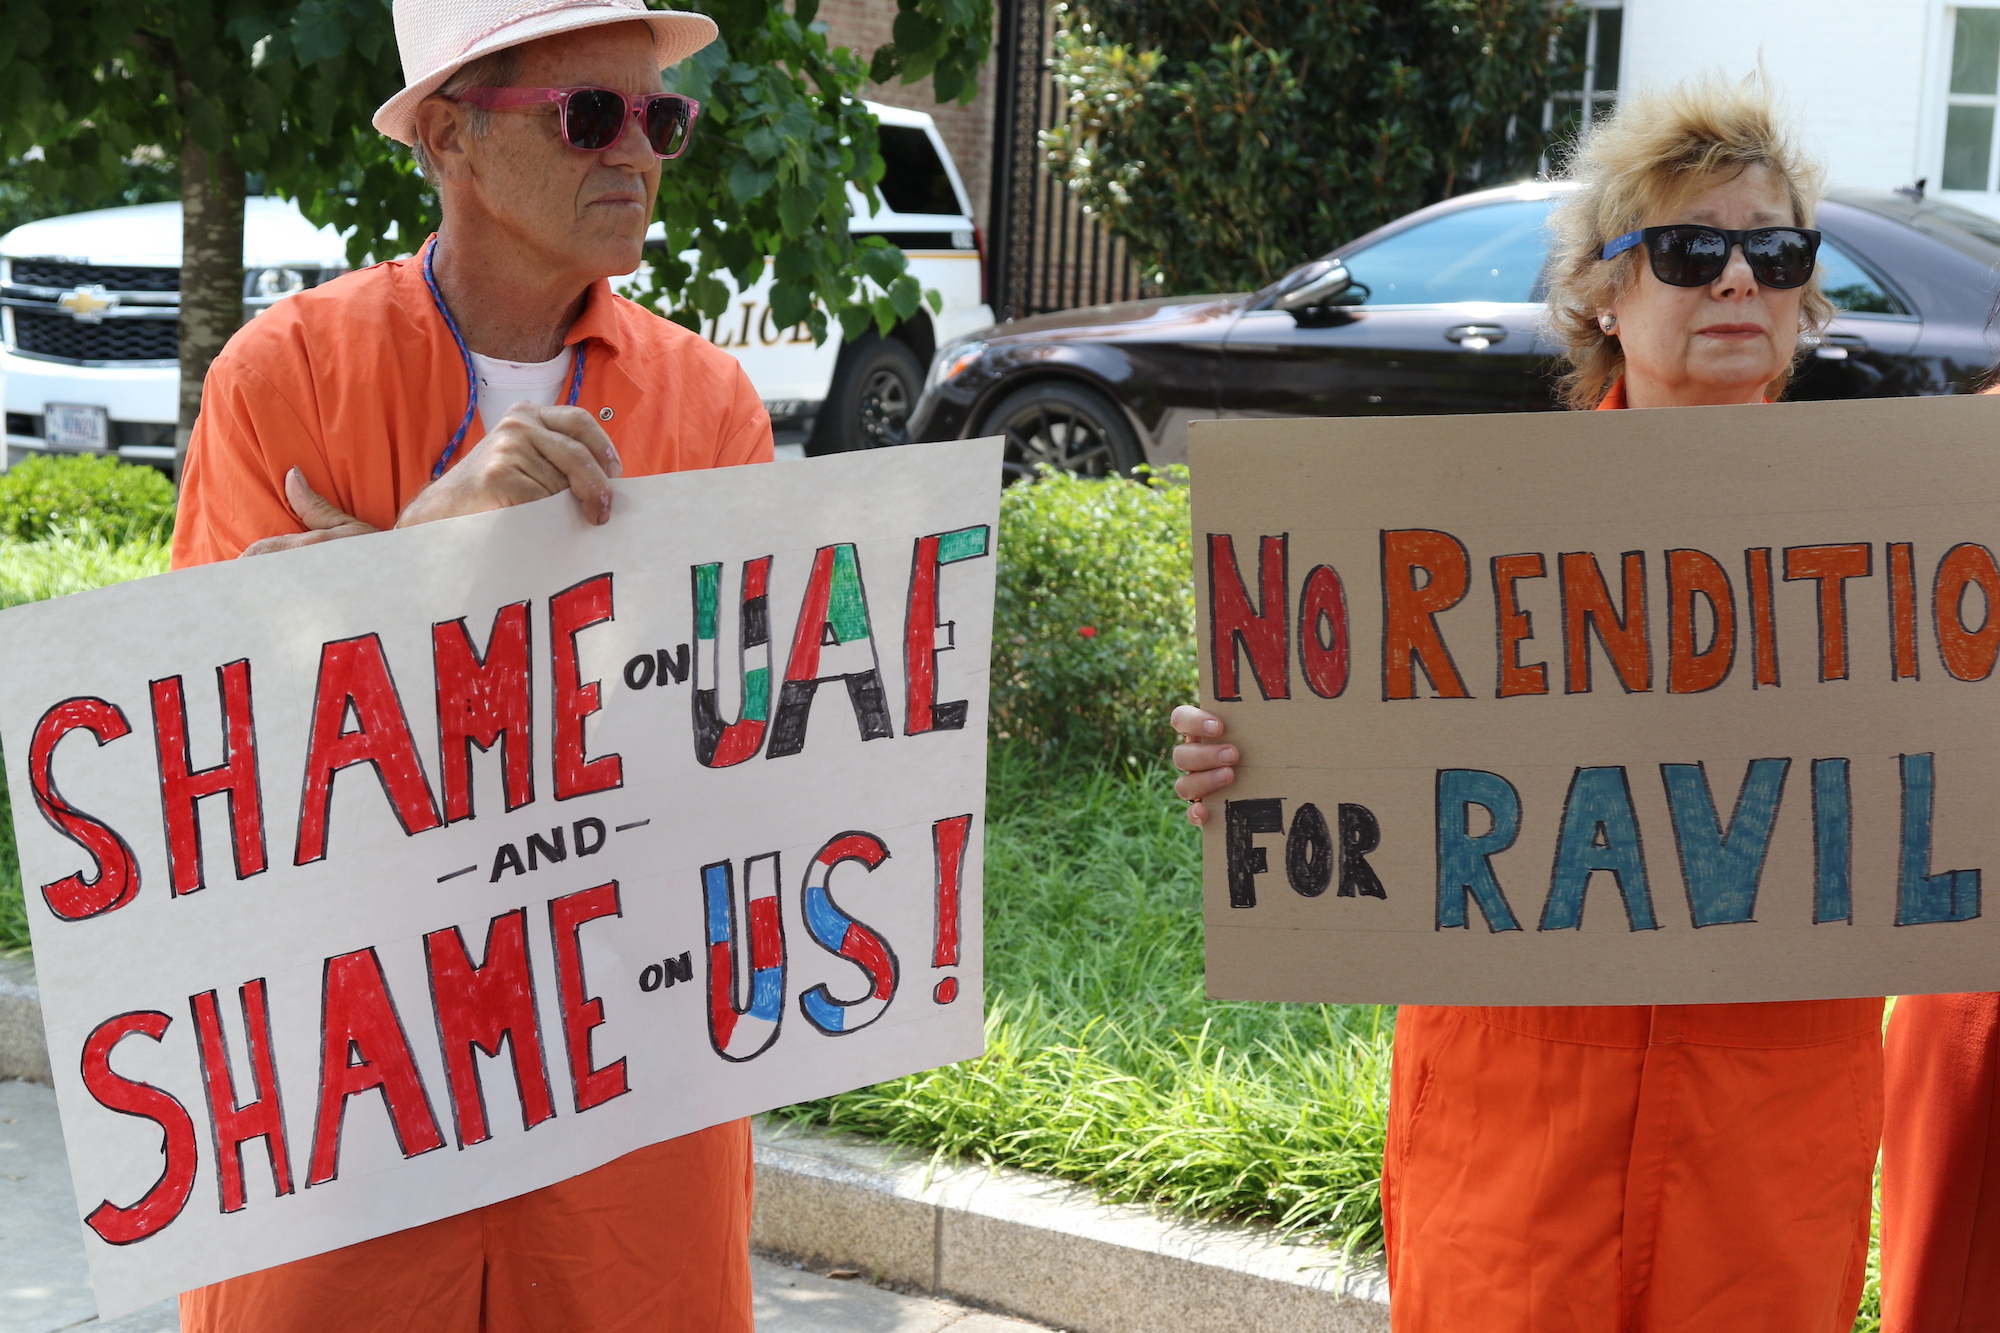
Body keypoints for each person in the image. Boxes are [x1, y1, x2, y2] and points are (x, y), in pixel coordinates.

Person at [1173, 78, 1883, 1331]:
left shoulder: (1899, 554)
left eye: (1773, 251)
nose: (1735, 280)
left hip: (1768, 1129)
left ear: (1804, 292)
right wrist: (1257, 766)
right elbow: (1352, 806)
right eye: (1685, 247)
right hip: (1518, 1121)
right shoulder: (1468, 541)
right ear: (1602, 293)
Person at [170, 1, 771, 1329]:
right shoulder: (284, 378)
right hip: (348, 1115)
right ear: (447, 135)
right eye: (590, 115)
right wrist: (432, 540)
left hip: (624, 1118)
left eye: (660, 115)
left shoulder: (710, 405)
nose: (640, 153)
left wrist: (347, 590)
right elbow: (212, 755)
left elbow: (733, 754)